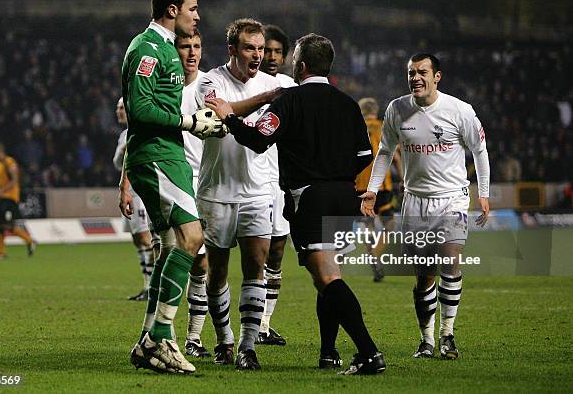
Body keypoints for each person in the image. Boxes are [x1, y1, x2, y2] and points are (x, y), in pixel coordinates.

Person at [207, 33, 386, 376]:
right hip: (344, 196)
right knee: (328, 277)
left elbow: (258, 140)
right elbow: (365, 156)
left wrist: (229, 117)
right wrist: (338, 176)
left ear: (301, 66)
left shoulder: (290, 100)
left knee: (327, 277)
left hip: (311, 197)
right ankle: (328, 352)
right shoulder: (348, 103)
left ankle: (368, 351)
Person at [119, 0, 223, 375]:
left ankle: (149, 338)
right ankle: (162, 337)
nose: (197, 16)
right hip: (158, 155)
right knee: (192, 238)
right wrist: (189, 121)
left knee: (169, 245)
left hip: (165, 154)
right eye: (193, 8)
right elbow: (141, 109)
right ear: (173, 10)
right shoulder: (148, 48)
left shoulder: (161, 47)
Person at [359, 53, 490, 360]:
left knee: (450, 260)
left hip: (452, 199)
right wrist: (372, 190)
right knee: (424, 275)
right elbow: (385, 152)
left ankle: (447, 335)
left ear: (437, 77)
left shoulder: (460, 111)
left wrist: (483, 193)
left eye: (422, 72)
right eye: (411, 73)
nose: (415, 77)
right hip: (415, 202)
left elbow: (480, 151)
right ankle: (427, 339)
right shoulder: (397, 109)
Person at [195, 18, 281, 370]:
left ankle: (247, 345)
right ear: (232, 49)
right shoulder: (210, 81)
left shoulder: (274, 84)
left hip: (258, 191)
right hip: (217, 191)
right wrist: (266, 99)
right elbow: (220, 114)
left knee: (256, 267)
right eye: (249, 48)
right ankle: (224, 339)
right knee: (217, 272)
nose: (257, 55)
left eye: (261, 48)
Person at [256, 24, 296, 345]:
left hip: (279, 181)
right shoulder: (244, 83)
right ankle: (248, 323)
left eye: (277, 52)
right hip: (249, 180)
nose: (270, 57)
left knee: (277, 251)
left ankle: (264, 324)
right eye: (266, 50)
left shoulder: (290, 87)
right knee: (253, 253)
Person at [174, 32, 211, 358]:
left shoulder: (209, 87)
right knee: (173, 257)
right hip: (173, 181)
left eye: (196, 47)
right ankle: (161, 334)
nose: (192, 53)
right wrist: (126, 183)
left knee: (202, 263)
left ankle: (194, 339)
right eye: (186, 47)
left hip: (207, 184)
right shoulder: (165, 87)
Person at [355, 97, 403, 282]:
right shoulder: (385, 127)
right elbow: (396, 158)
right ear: (376, 109)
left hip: (360, 186)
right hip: (382, 185)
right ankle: (375, 254)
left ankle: (371, 256)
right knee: (389, 225)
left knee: (367, 225)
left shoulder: (354, 127)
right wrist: (403, 179)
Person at [113, 98, 154, 301]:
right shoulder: (124, 135)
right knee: (138, 239)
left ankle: (153, 287)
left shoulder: (139, 132)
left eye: (122, 108)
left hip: (139, 192)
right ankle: (146, 285)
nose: (118, 111)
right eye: (117, 108)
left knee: (146, 238)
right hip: (129, 191)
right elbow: (118, 164)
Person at [0, 142, 36, 260]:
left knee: (8, 225)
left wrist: (1, 192)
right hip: (2, 197)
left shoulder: (9, 162)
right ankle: (1, 253)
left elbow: (14, 180)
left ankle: (30, 241)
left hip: (10, 197)